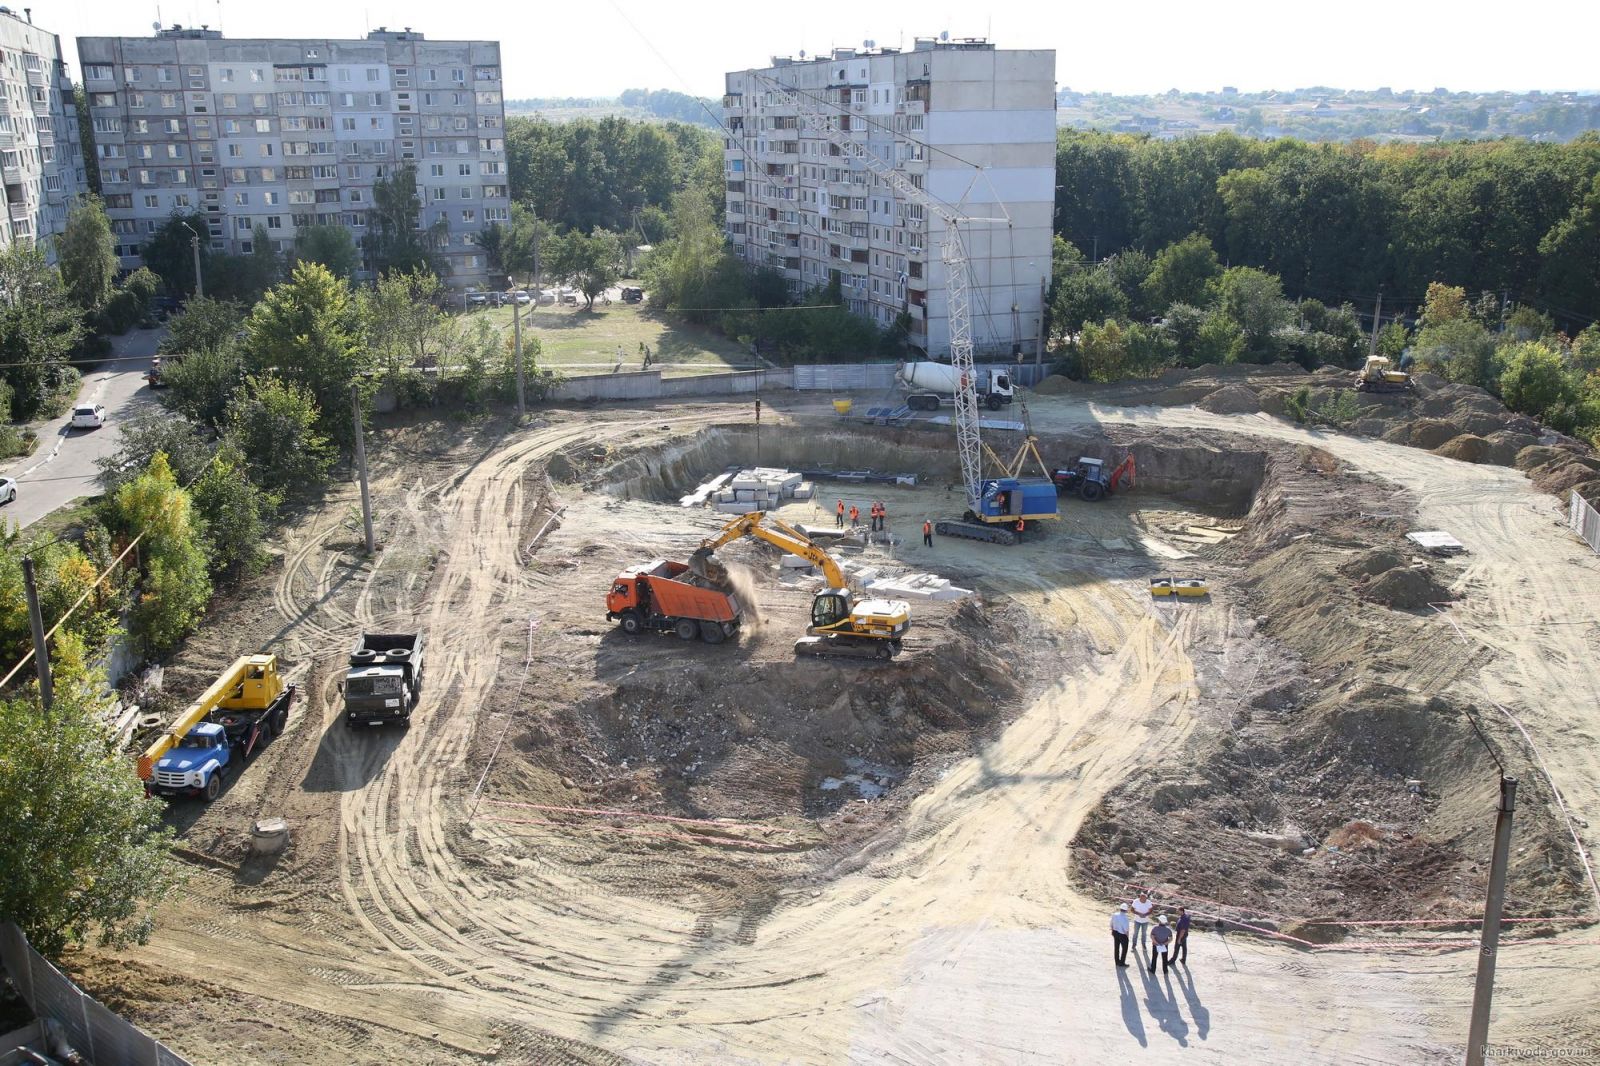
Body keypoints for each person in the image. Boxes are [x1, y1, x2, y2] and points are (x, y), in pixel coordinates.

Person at [1110, 903, 1131, 967]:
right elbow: (1126, 929)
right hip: (1122, 935)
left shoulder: (1115, 915)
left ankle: (1117, 962)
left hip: (1115, 932)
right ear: (1126, 910)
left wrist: (1112, 930)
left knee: (1116, 947)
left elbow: (1111, 923)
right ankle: (1122, 962)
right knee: (1124, 949)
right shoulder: (1125, 918)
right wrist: (1127, 936)